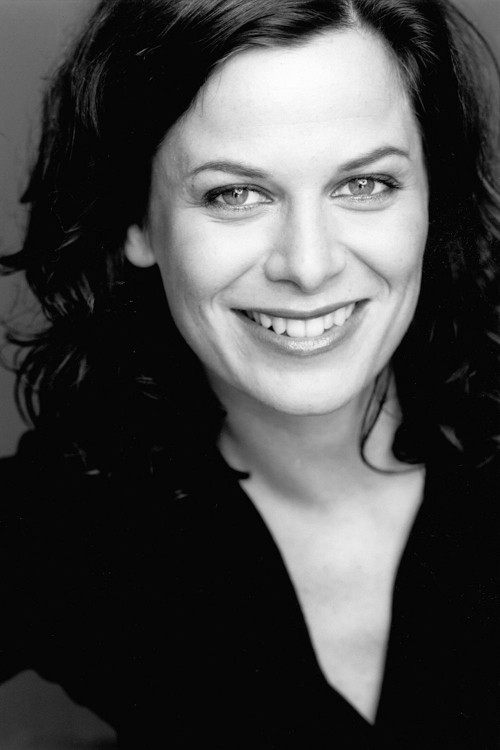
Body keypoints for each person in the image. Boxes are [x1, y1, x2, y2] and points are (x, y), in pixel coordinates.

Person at [1, 0, 500, 746]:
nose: (309, 265)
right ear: (134, 220)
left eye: (366, 184)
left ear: (433, 197)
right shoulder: (75, 527)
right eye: (234, 194)